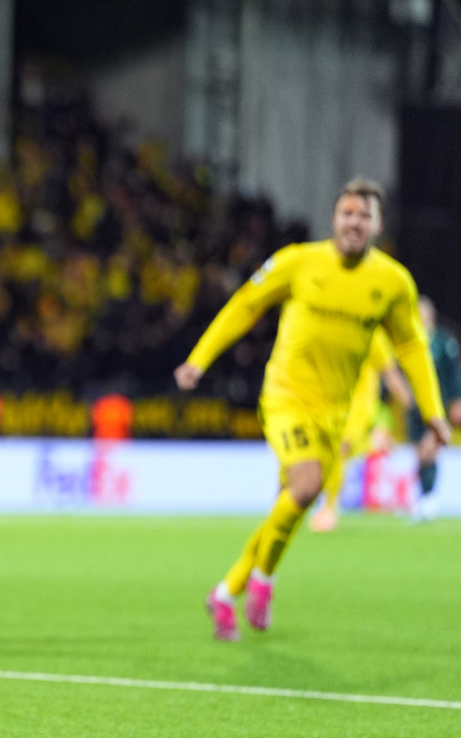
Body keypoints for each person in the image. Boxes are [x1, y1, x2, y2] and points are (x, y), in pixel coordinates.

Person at [174, 178, 450, 642]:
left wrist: (434, 411)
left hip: (335, 411)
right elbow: (246, 305)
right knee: (306, 485)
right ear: (334, 219)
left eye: (364, 215)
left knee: (292, 502)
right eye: (347, 213)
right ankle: (261, 579)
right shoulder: (298, 262)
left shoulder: (391, 282)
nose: (354, 222)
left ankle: (229, 591)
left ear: (378, 226)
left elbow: (411, 348)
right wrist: (199, 360)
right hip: (286, 398)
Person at [308, 328, 410, 532]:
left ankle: (328, 509)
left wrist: (409, 401)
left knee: (339, 451)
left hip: (359, 409)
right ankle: (373, 444)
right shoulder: (337, 333)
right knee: (334, 453)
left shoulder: (374, 336)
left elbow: (389, 372)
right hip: (336, 404)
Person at [407, 295, 461, 522]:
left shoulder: (443, 341)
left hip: (437, 406)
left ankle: (429, 498)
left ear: (430, 315)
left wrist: (457, 400)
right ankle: (423, 496)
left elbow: (453, 374)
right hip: (414, 407)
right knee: (420, 452)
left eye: (423, 313)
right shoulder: (409, 342)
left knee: (431, 448)